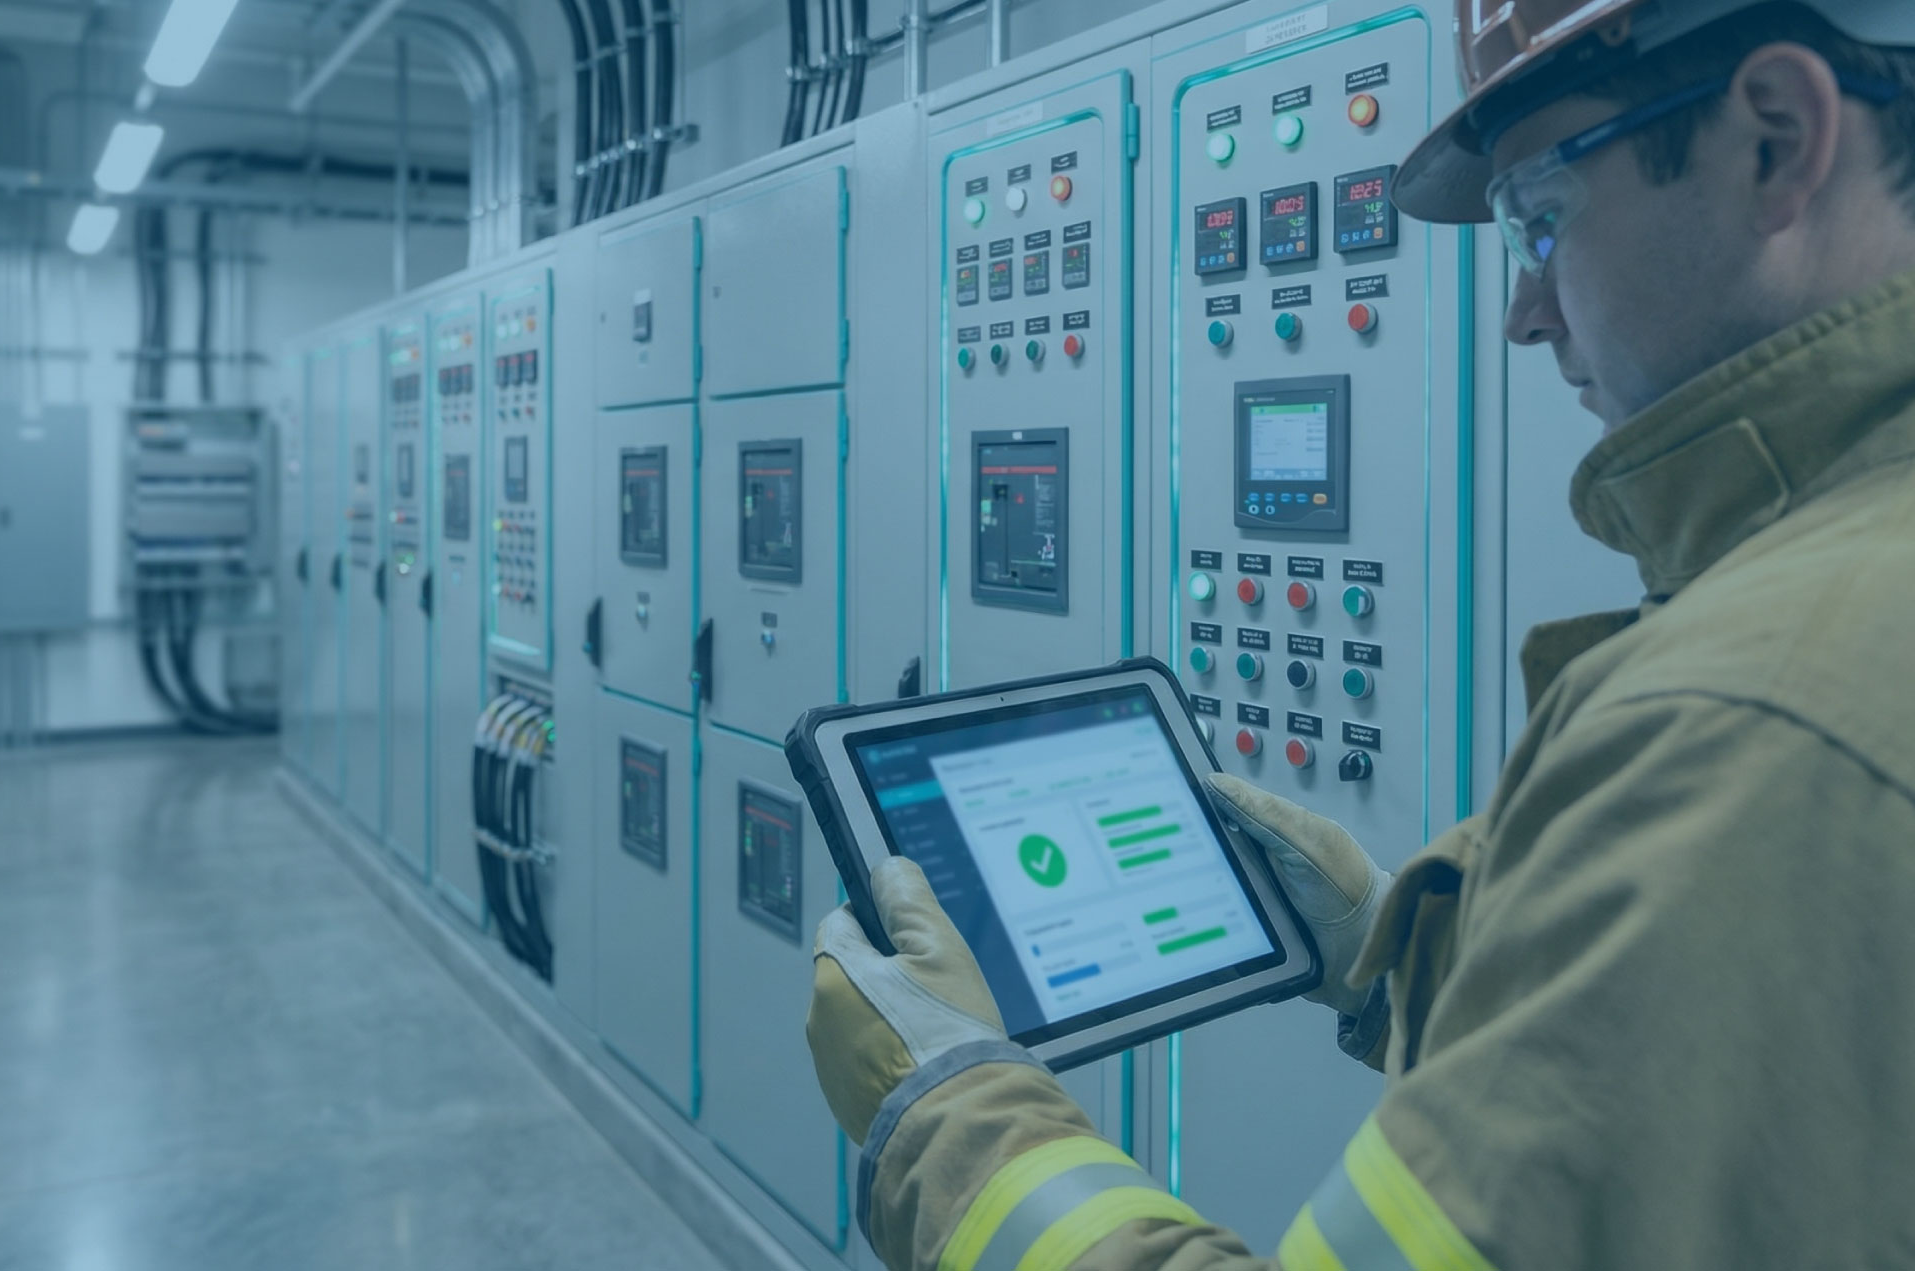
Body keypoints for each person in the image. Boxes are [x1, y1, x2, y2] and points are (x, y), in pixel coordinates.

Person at [804, 1, 1915, 1267]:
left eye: (1539, 216)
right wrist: (1391, 946)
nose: (1524, 309)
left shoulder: (1746, 726)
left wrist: (948, 1111)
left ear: (1774, 139)